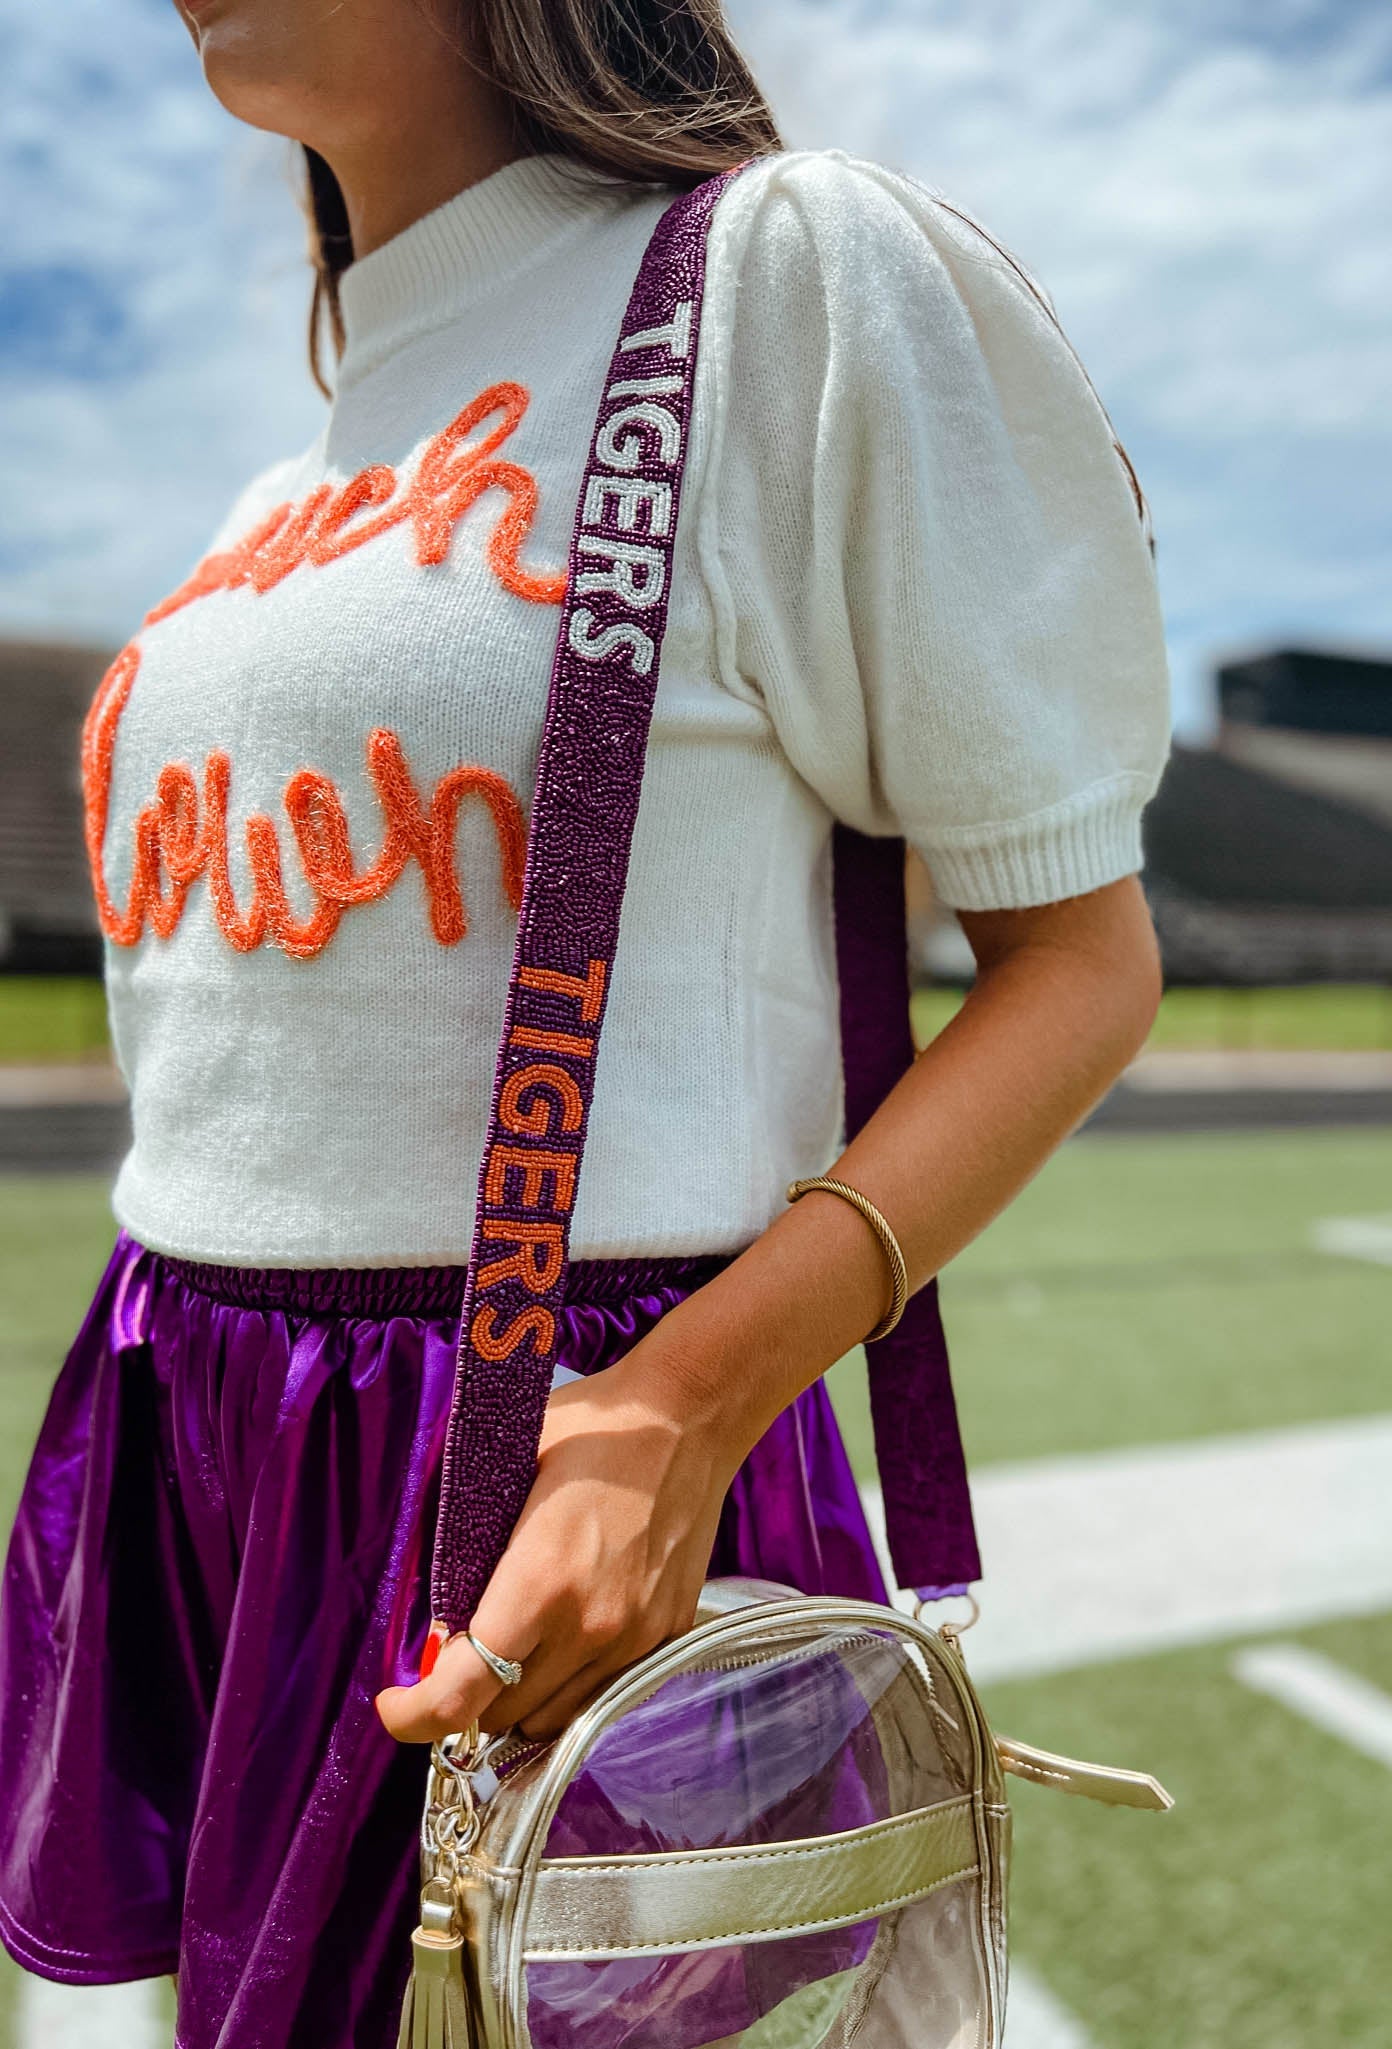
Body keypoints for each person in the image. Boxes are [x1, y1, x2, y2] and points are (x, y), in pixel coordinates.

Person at [0, 1, 1171, 2042]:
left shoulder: (780, 269)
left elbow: (1081, 957)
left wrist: (682, 1408)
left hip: (557, 1459)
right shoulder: (291, 466)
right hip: (173, 1449)